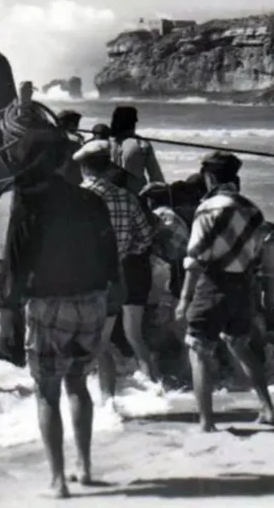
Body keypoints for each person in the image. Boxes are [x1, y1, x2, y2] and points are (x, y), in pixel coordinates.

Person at [0, 129, 120, 498]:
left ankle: (58, 480)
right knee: (78, 384)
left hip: (49, 303)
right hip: (92, 301)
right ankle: (85, 466)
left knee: (46, 392)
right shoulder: (90, 200)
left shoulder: (28, 201)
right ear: (63, 161)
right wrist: (111, 286)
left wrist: (5, 311)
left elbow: (16, 261)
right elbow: (109, 251)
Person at [176, 151, 274, 432]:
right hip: (243, 285)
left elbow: (195, 258)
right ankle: (268, 407)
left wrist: (184, 299)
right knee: (240, 345)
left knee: (198, 349)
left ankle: (206, 422)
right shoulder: (253, 209)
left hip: (213, 284)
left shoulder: (207, 208)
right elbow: (258, 253)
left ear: (209, 176)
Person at [74, 139, 160, 400]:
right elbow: (146, 237)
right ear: (108, 167)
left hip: (81, 280)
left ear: (84, 168)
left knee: (78, 344)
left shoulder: (75, 197)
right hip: (114, 278)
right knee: (103, 343)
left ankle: (84, 405)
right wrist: (125, 251)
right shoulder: (126, 197)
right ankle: (108, 401)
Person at [109, 106, 165, 194]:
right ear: (133, 123)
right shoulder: (142, 144)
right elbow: (157, 178)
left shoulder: (103, 143)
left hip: (107, 194)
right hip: (136, 195)